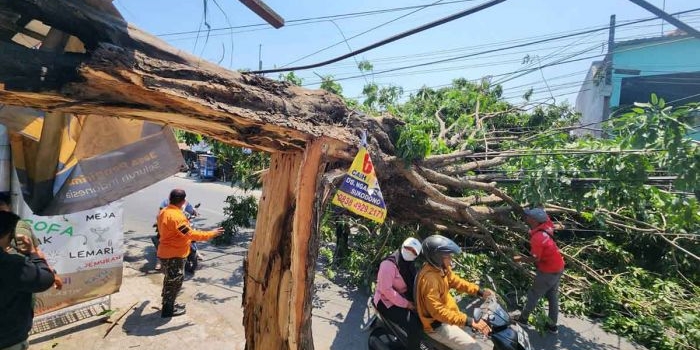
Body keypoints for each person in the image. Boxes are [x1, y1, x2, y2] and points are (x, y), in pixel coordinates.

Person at [415, 235, 492, 350]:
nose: (451, 259)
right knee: (475, 348)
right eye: (448, 256)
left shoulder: (441, 268)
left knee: (479, 336)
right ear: (437, 257)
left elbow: (456, 282)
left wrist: (479, 291)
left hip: (451, 315)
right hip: (438, 325)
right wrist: (468, 320)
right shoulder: (430, 280)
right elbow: (437, 312)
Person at [157, 189, 223, 318]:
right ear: (183, 202)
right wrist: (212, 233)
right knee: (174, 283)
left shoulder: (163, 212)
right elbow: (191, 234)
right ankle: (168, 310)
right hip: (174, 255)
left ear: (170, 198)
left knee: (169, 281)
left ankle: (169, 304)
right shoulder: (177, 217)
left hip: (166, 252)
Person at [0, 211, 56, 350]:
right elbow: (45, 280)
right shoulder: (10, 264)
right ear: (6, 235)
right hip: (8, 339)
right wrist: (32, 253)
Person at [512, 208, 564, 334]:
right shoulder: (547, 224)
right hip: (559, 266)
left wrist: (520, 259)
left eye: (528, 216)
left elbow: (536, 258)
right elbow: (546, 216)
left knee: (534, 295)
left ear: (534, 220)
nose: (526, 217)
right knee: (552, 296)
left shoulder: (538, 238)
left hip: (548, 271)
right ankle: (552, 326)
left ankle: (523, 320)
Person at [0, 192, 62, 290]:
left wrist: (51, 272)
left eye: (1, 204)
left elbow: (36, 251)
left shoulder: (18, 225)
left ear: (9, 206)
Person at [373, 237, 423, 350]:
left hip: (402, 296)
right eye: (408, 248)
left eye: (414, 251)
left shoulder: (409, 264)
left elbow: (415, 282)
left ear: (417, 255)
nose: (410, 252)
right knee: (414, 325)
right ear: (402, 246)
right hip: (385, 301)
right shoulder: (388, 264)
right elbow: (386, 290)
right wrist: (407, 304)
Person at [154, 197, 200, 271]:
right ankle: (159, 260)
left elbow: (191, 211)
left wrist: (195, 212)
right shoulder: (166, 203)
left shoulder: (185, 203)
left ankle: (196, 251)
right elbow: (160, 213)